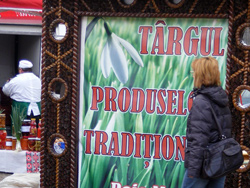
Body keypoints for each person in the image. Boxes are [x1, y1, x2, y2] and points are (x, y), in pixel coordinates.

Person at [181, 57, 232, 188]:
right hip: (220, 162)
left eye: (194, 72)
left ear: (201, 75)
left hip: (204, 164)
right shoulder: (221, 97)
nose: (193, 75)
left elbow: (199, 138)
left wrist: (193, 171)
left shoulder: (201, 101)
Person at [2, 60, 41, 127]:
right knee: (35, 130)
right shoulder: (38, 80)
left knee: (19, 132)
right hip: (36, 110)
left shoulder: (16, 80)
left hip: (20, 108)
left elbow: (5, 90)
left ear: (20, 70)